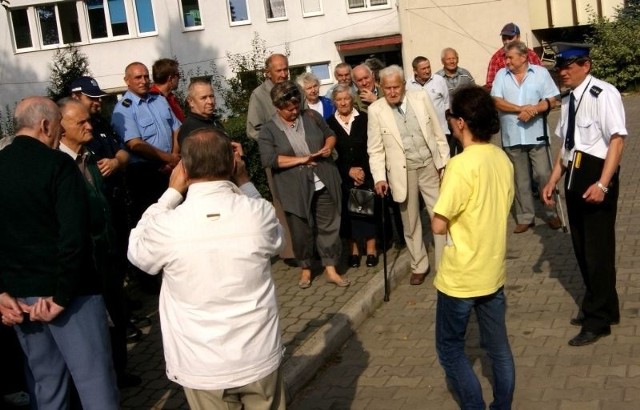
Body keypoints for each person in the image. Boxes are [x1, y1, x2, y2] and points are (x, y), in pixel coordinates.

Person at [128, 129, 285, 410]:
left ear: (184, 168)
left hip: (202, 365)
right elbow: (276, 235)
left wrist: (171, 193)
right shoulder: (257, 214)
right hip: (258, 354)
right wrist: (245, 181)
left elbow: (137, 251)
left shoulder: (167, 225)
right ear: (232, 163)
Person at [0, 96, 119, 409]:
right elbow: (74, 235)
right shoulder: (58, 164)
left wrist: (1, 292)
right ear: (45, 125)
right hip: (70, 296)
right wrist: (62, 296)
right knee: (95, 385)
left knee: (46, 386)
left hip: (20, 301)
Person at [431, 85, 515, 410]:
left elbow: (439, 224)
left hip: (461, 276)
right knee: (498, 348)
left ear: (462, 122)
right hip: (493, 270)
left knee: (450, 349)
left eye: (451, 116)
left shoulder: (460, 165)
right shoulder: (502, 158)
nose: (450, 121)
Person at [542, 44, 627, 347]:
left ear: (586, 65)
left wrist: (604, 184)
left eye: (568, 67)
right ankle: (604, 307)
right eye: (559, 69)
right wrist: (553, 181)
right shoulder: (569, 99)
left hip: (596, 179)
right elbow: (566, 148)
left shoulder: (603, 94)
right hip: (575, 180)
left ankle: (598, 321)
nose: (562, 73)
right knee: (582, 250)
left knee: (597, 253)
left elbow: (617, 141)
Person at [258, 81, 349, 289]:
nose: (293, 111)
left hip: (323, 179)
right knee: (301, 230)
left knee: (329, 225)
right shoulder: (269, 129)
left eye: (296, 106)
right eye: (289, 109)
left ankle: (330, 267)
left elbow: (330, 134)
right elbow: (269, 160)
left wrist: (327, 147)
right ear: (277, 107)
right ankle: (306, 268)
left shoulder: (311, 116)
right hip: (293, 187)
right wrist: (301, 160)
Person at [368, 65, 450, 285]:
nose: (392, 92)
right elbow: (375, 149)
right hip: (402, 173)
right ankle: (419, 265)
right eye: (387, 88)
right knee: (410, 221)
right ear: (381, 87)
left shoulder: (421, 98)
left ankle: (445, 264)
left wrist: (444, 162)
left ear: (404, 85)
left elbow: (437, 131)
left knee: (439, 215)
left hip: (429, 166)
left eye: (396, 87)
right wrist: (379, 177)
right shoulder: (376, 110)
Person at [491, 41, 562, 233]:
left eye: (510, 57)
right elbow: (496, 100)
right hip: (512, 136)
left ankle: (551, 213)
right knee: (520, 179)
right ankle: (525, 217)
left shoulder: (540, 73)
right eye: (506, 57)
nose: (506, 61)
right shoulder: (501, 75)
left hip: (537, 134)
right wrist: (520, 109)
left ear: (523, 57)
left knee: (543, 175)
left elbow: (552, 99)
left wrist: (533, 110)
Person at [111, 61, 181, 225]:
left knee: (176, 217)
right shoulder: (123, 109)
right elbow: (135, 144)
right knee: (152, 222)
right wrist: (168, 159)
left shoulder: (159, 100)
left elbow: (176, 128)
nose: (143, 81)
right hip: (145, 175)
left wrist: (174, 156)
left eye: (146, 76)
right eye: (138, 77)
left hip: (171, 168)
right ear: (127, 81)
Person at [247, 53, 296, 265]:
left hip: (300, 154)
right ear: (268, 72)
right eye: (279, 70)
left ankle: (308, 246)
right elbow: (253, 129)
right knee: (282, 204)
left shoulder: (295, 89)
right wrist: (275, 141)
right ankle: (289, 252)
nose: (284, 74)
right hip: (277, 157)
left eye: (286, 69)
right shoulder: (259, 95)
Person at [327, 84, 378, 268]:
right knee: (349, 216)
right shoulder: (328, 124)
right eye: (339, 99)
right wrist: (348, 170)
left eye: (346, 98)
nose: (343, 102)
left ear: (352, 99)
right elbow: (330, 155)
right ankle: (354, 251)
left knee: (368, 211)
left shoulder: (365, 118)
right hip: (343, 176)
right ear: (334, 102)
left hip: (367, 172)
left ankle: (371, 250)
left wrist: (362, 170)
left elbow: (373, 146)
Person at [485, 22, 542, 90]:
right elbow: (490, 86)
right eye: (504, 38)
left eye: (510, 38)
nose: (507, 41)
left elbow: (541, 77)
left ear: (518, 37)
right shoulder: (497, 58)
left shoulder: (531, 55)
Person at [406, 56, 449, 136]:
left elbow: (447, 104)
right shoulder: (408, 85)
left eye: (428, 67)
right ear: (415, 71)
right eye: (423, 69)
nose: (427, 71)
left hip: (441, 132)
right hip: (421, 134)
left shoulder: (439, 80)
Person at [177, 79, 225, 146]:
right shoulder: (191, 129)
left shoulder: (213, 121)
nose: (210, 102)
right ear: (191, 101)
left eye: (211, 96)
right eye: (203, 98)